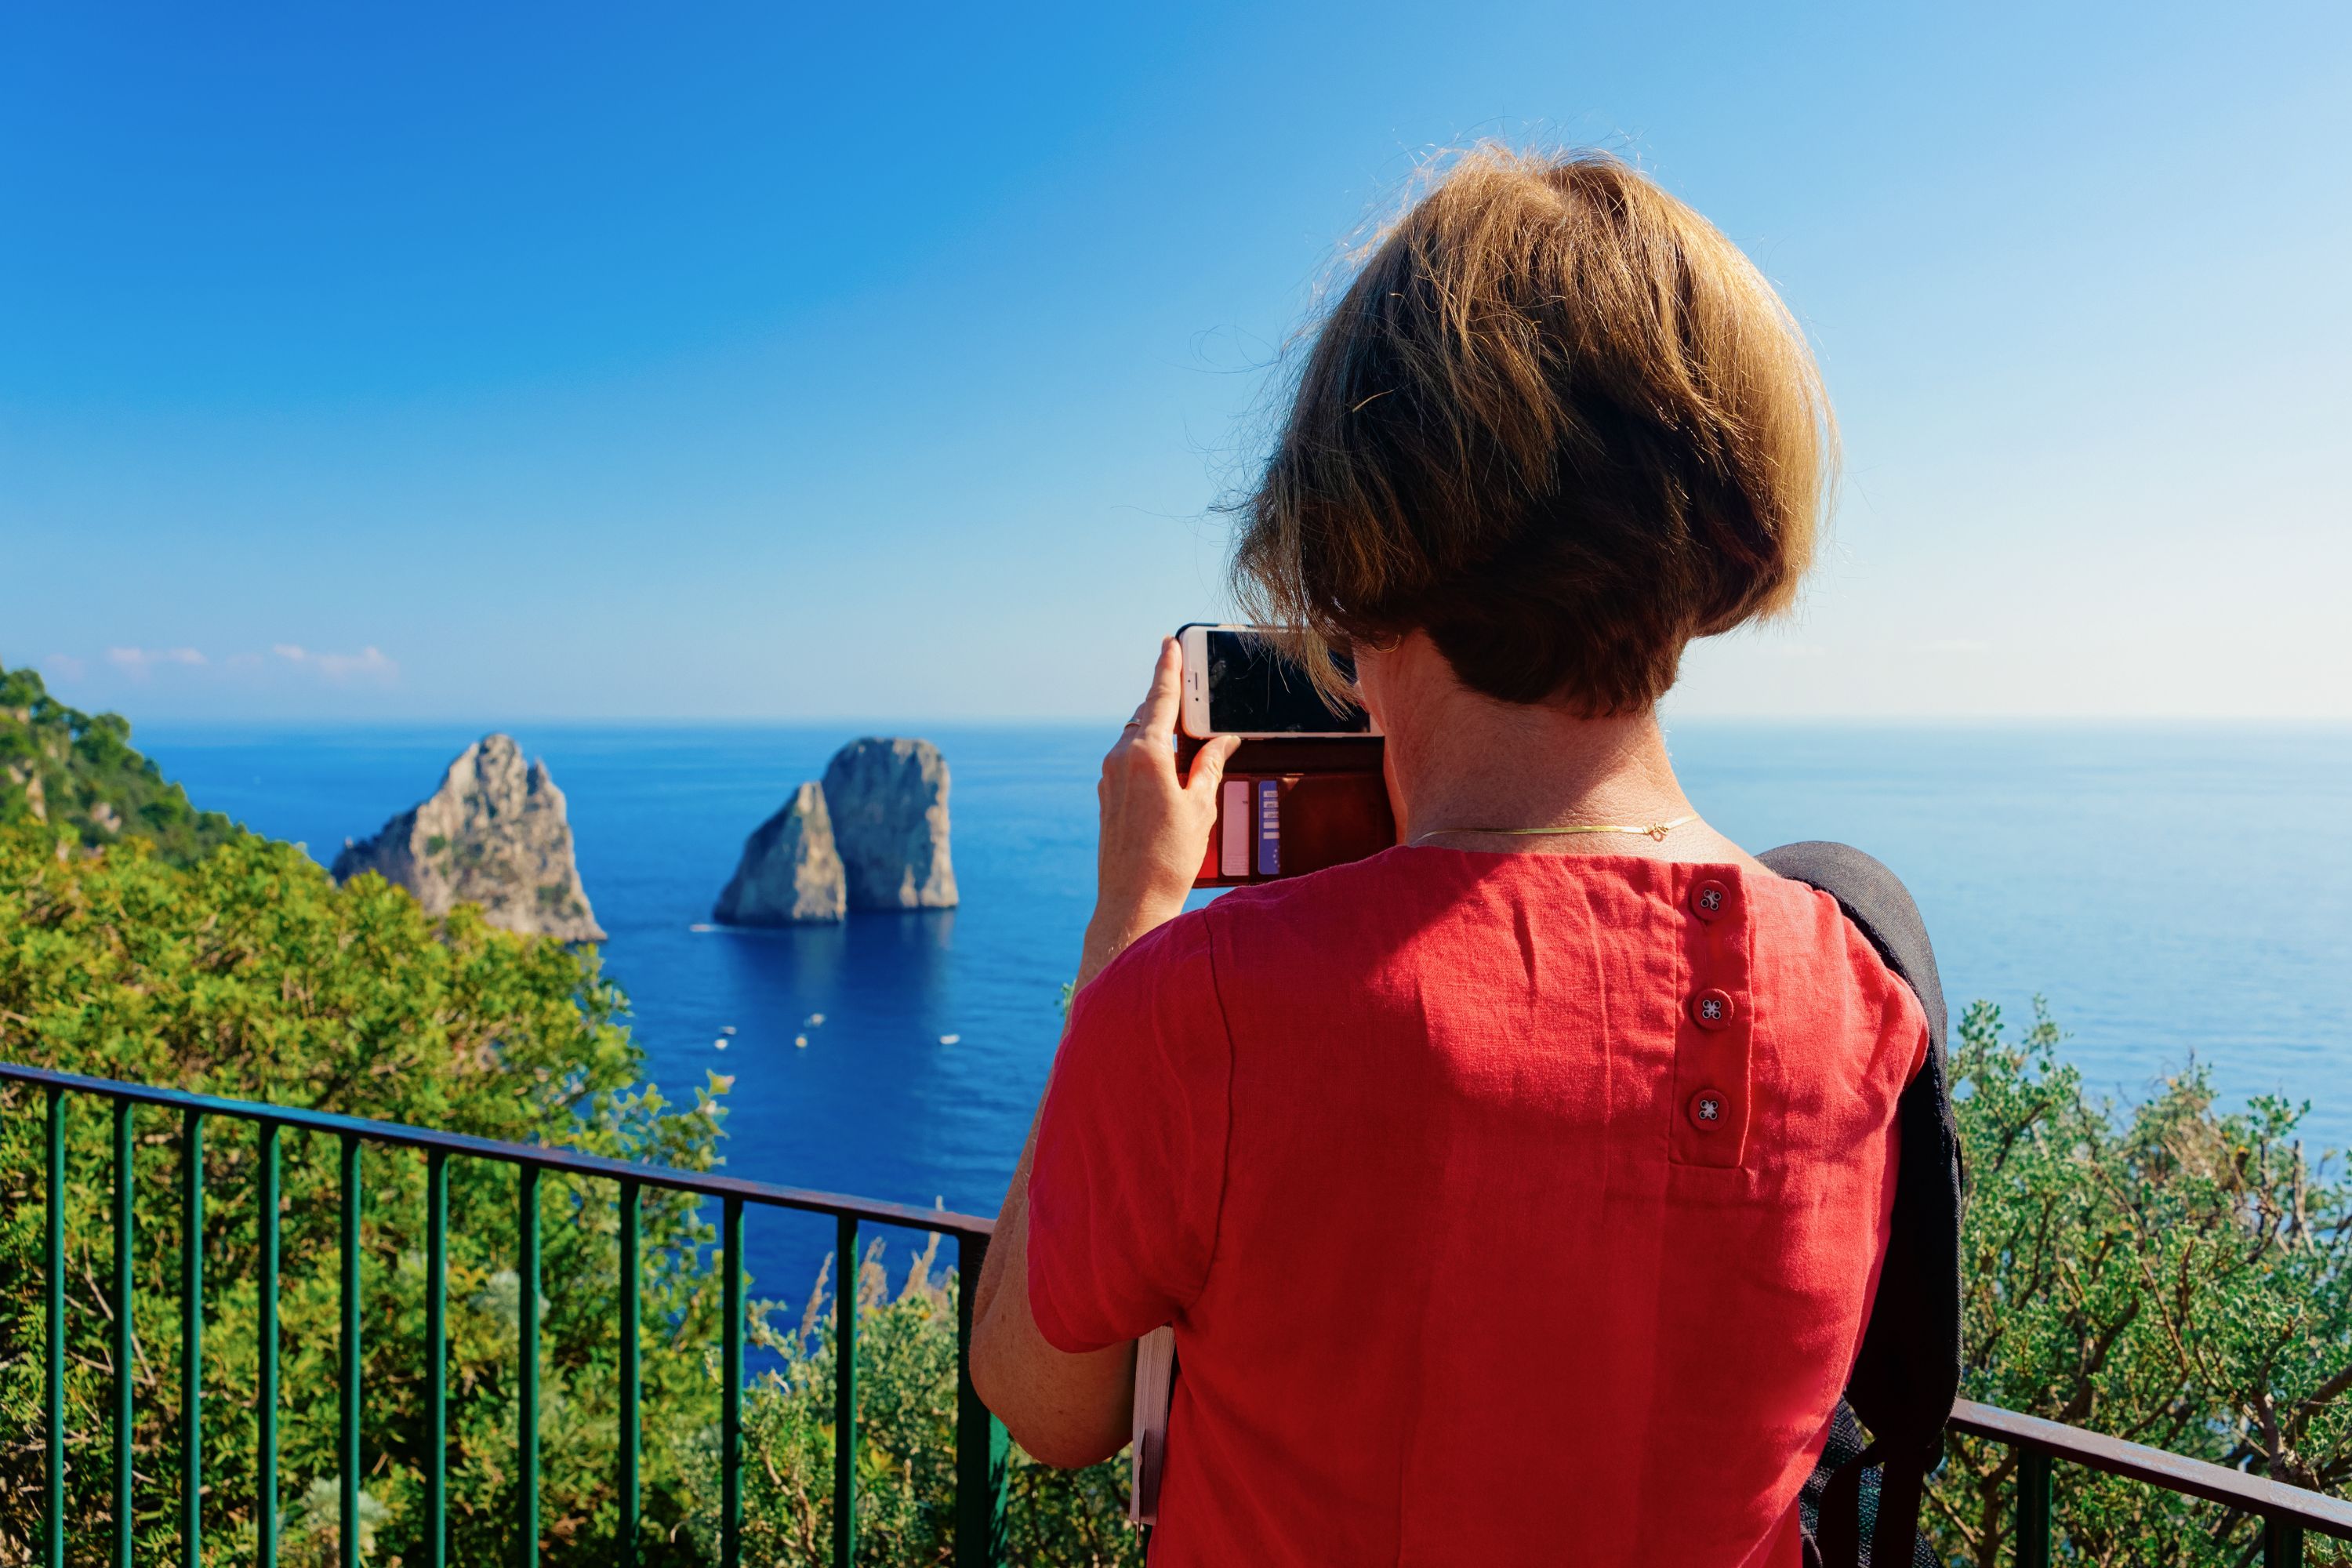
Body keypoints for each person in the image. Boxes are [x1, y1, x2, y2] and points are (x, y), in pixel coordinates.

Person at [969, 146, 1928, 1566]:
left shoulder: (1205, 1007)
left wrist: (1128, 927)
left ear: (1351, 547)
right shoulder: (1859, 996)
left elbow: (1044, 1402)